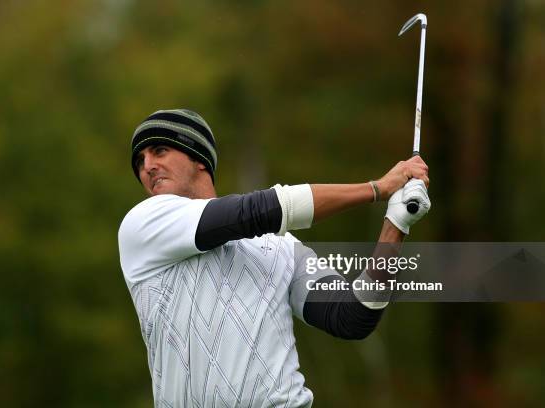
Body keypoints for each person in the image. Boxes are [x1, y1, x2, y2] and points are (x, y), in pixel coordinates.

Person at [118, 109, 431, 407]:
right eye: (140, 162)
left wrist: (396, 225)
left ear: (198, 159)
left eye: (159, 151)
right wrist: (377, 188)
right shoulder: (144, 225)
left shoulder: (281, 247)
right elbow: (259, 211)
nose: (147, 166)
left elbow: (352, 316)